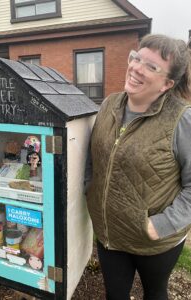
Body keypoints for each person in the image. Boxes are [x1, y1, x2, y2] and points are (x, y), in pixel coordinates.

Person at [86, 34, 191, 300]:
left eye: (151, 66)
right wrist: (89, 188)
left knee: (155, 294)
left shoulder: (182, 119)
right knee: (115, 295)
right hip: (110, 233)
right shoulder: (109, 104)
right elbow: (94, 155)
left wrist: (161, 224)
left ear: (167, 83)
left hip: (154, 241)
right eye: (137, 58)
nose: (136, 68)